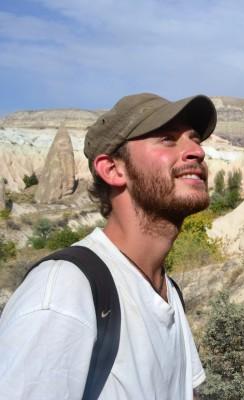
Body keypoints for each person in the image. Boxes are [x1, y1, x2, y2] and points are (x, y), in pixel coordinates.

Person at [0, 92, 217, 399]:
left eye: (195, 139)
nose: (196, 151)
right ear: (113, 170)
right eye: (168, 139)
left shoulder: (167, 291)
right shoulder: (64, 291)